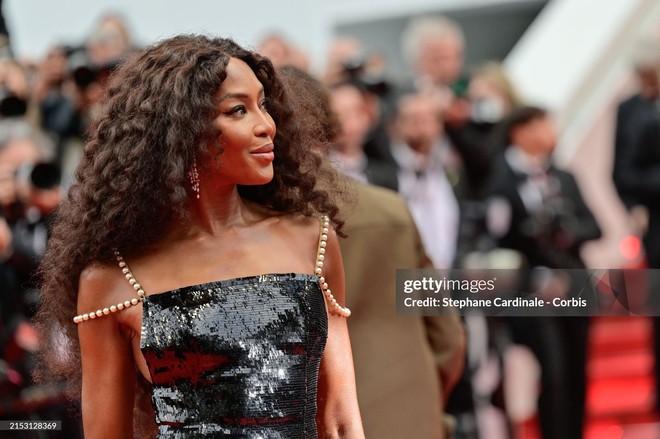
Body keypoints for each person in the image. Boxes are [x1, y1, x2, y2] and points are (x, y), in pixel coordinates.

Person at [35, 34, 364, 438]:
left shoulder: (312, 240)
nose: (267, 126)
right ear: (183, 132)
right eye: (239, 110)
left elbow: (341, 421)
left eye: (263, 104)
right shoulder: (111, 279)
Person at [279, 64, 466, 439]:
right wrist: (426, 399)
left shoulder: (261, 227)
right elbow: (447, 336)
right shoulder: (390, 209)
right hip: (410, 411)